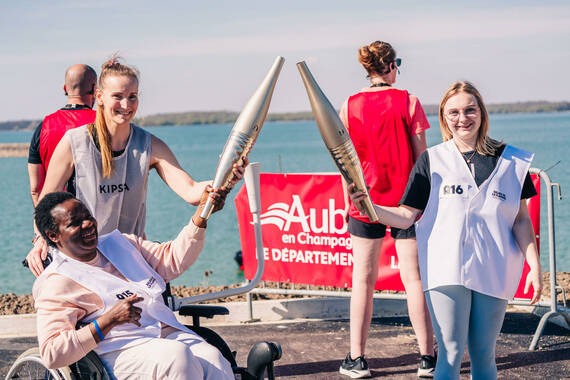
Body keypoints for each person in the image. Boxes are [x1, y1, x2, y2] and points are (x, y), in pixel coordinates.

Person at [348, 81, 542, 379]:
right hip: (445, 271)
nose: (462, 118)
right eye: (453, 112)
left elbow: (521, 220)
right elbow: (406, 215)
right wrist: (371, 209)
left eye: (469, 110)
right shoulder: (431, 160)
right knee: (450, 352)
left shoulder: (511, 161)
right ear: (443, 117)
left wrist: (534, 265)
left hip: (494, 268)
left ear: (481, 113)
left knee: (483, 353)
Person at [26, 56, 213, 276]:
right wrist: (40, 240)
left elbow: (191, 191)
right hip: (85, 260)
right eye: (118, 96)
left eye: (132, 97)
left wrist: (225, 177)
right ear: (100, 97)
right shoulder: (74, 142)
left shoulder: (149, 144)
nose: (126, 105)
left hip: (130, 259)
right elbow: (45, 204)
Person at [33, 189, 234, 379]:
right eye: (75, 223)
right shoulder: (58, 282)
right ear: (53, 235)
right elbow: (52, 353)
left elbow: (171, 260)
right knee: (176, 357)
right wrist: (108, 320)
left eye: (87, 216)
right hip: (117, 350)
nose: (87, 224)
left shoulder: (122, 244)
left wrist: (201, 217)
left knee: (213, 358)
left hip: (164, 334)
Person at [338, 41, 435, 378]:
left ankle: (357, 359)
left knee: (362, 282)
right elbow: (423, 159)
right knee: (414, 281)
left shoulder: (349, 105)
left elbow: (344, 160)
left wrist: (348, 198)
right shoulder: (409, 102)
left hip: (364, 202)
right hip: (407, 203)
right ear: (392, 65)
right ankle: (427, 359)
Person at [27, 64, 97, 206]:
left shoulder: (43, 127)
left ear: (65, 88)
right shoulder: (102, 123)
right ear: (95, 89)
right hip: (94, 216)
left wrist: (43, 220)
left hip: (57, 218)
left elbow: (36, 189)